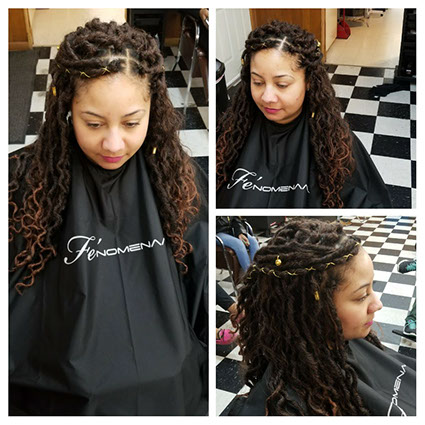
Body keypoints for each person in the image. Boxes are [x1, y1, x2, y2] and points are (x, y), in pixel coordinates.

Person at [9, 19, 208, 416]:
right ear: (67, 107)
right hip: (61, 392)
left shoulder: (176, 178)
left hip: (171, 386)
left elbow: (198, 280)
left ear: (153, 108)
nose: (114, 143)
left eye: (132, 123)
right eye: (94, 123)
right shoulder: (22, 184)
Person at [226, 218, 415, 416]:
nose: (377, 304)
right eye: (361, 296)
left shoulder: (350, 341)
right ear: (314, 307)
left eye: (371, 289)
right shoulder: (290, 406)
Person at [216, 21, 392, 208]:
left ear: (308, 81)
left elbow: (370, 203)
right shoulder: (232, 132)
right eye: (257, 82)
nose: (267, 97)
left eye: (282, 85)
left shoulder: (333, 142)